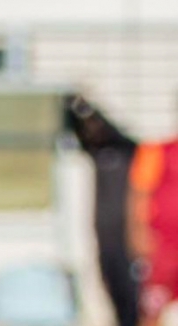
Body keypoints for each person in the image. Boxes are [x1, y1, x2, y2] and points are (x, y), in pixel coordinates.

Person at [64, 94, 139, 326]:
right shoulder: (96, 154)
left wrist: (87, 109)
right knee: (110, 288)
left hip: (127, 239)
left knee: (132, 297)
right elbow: (77, 128)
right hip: (105, 238)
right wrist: (71, 105)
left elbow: (111, 130)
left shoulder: (129, 152)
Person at [128, 130, 178, 326]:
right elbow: (139, 193)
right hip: (162, 248)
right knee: (152, 309)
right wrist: (137, 232)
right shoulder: (158, 151)